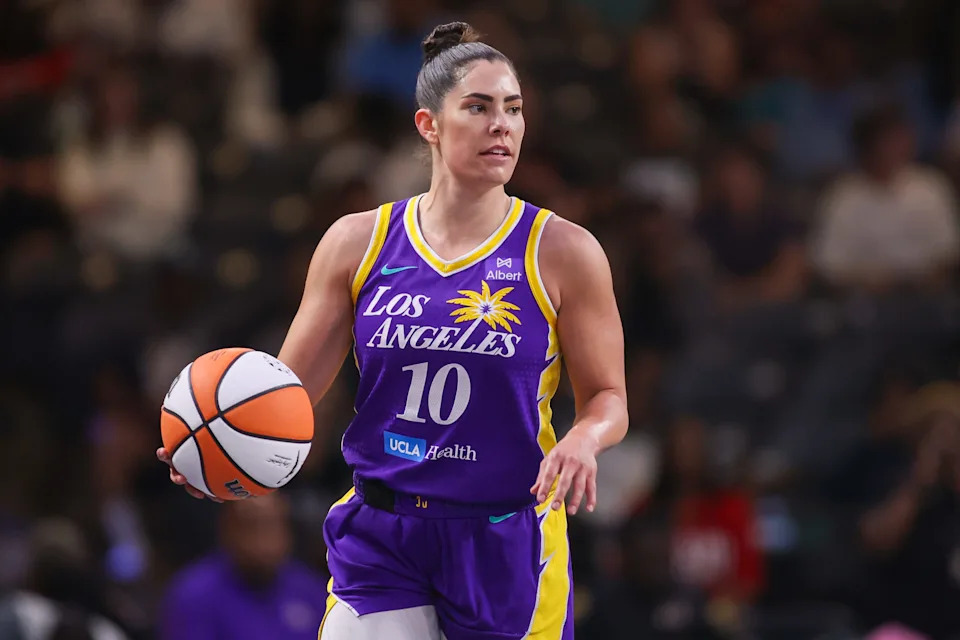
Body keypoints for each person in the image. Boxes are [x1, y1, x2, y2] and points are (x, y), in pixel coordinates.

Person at [158, 21, 628, 640]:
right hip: (383, 529)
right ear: (429, 125)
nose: (502, 125)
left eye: (513, 109)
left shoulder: (564, 251)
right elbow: (283, 394)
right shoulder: (359, 241)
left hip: (503, 536)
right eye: (479, 107)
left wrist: (584, 439)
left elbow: (609, 398)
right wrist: (223, 447)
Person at [160, 493, 328, 640]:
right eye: (252, 526)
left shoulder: (311, 590)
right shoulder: (194, 595)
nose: (264, 541)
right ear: (227, 527)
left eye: (272, 525)